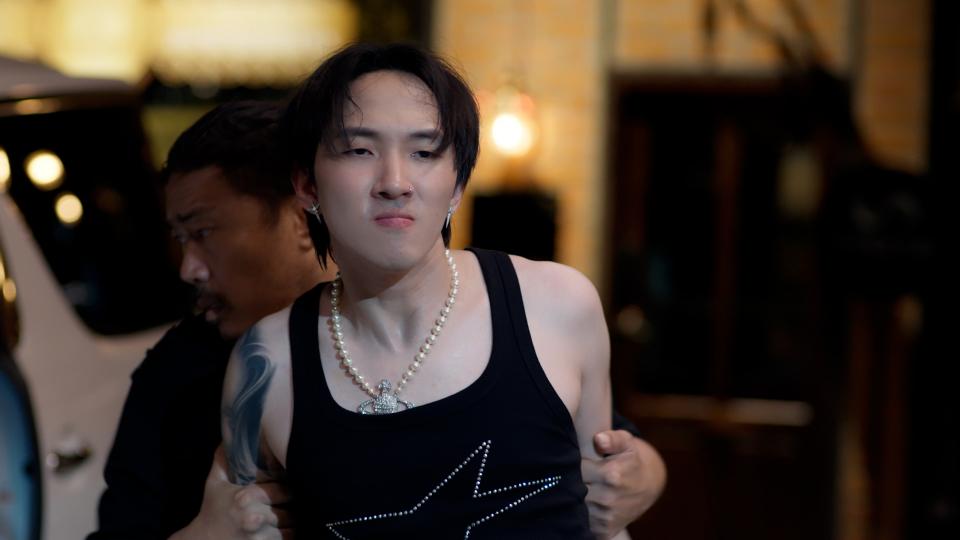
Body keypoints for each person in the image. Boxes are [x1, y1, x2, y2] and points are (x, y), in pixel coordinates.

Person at [90, 98, 665, 540]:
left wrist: (646, 473)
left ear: (300, 210)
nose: (189, 268)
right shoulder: (178, 375)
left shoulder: (488, 318)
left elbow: (587, 451)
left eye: (204, 232)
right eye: (180, 238)